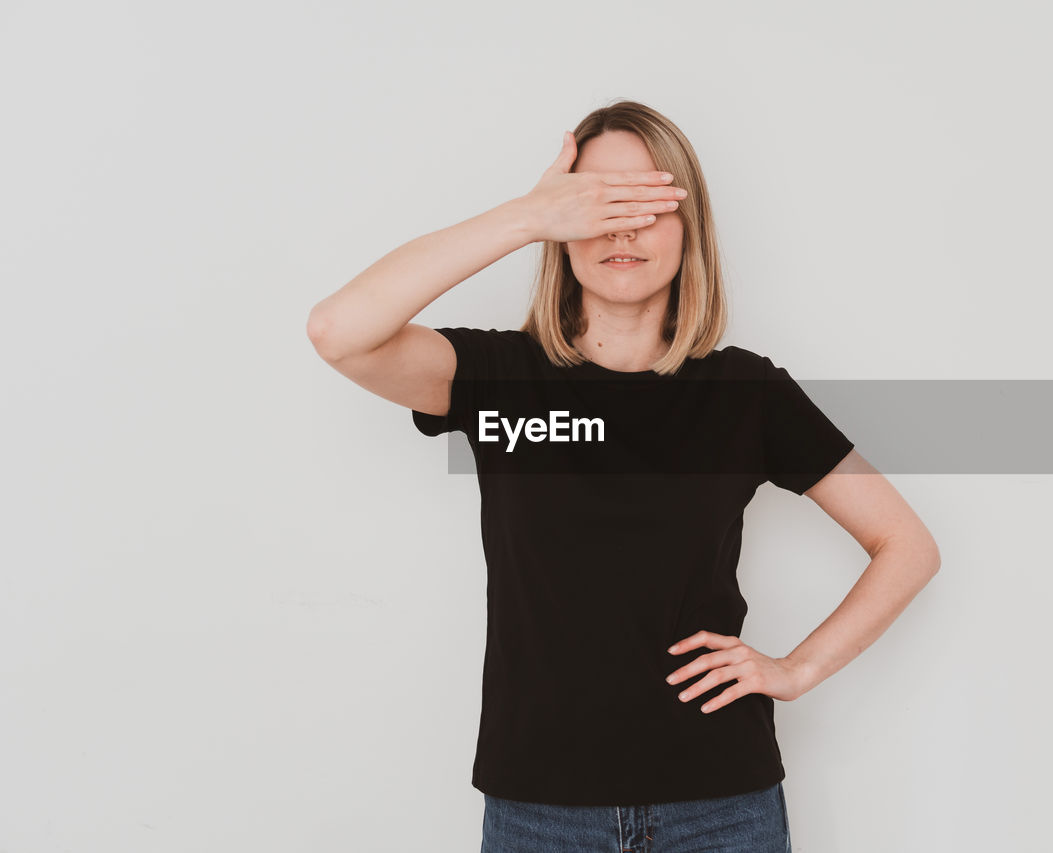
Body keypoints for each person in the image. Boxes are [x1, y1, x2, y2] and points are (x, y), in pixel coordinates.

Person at [307, 99, 941, 852]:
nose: (621, 227)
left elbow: (906, 544)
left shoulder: (746, 394)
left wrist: (796, 670)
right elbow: (338, 331)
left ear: (690, 226)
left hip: (722, 805)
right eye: (595, 204)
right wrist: (525, 216)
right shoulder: (500, 379)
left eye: (648, 202)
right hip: (539, 809)